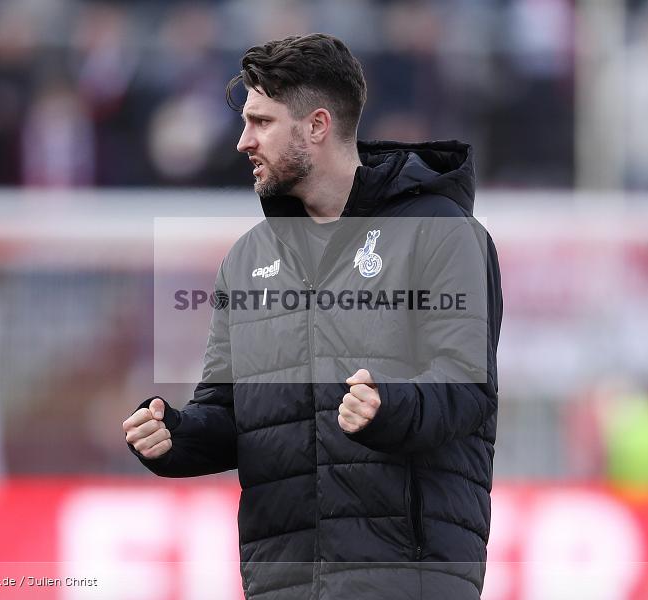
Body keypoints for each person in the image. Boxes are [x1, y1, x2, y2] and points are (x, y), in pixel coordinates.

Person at [123, 33, 502, 600]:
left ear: (317, 126)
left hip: (406, 576)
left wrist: (388, 409)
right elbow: (232, 412)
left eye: (261, 122)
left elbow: (466, 389)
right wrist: (176, 437)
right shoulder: (247, 259)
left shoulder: (441, 233)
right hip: (283, 578)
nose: (242, 142)